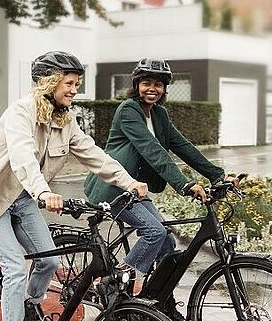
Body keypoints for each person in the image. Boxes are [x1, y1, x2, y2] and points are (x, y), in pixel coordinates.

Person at [0, 51, 148, 321]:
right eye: (70, 83)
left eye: (77, 83)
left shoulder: (65, 120)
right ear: (50, 82)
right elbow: (23, 157)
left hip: (22, 201)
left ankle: (27, 305)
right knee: (14, 267)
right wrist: (43, 192)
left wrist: (128, 181)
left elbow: (93, 155)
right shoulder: (21, 112)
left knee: (49, 262)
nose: (75, 89)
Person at [84, 58, 239, 295]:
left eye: (158, 84)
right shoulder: (128, 110)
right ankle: (111, 282)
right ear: (136, 85)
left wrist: (217, 176)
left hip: (137, 189)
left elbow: (183, 146)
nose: (152, 89)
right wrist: (185, 184)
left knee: (166, 240)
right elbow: (152, 150)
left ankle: (155, 299)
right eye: (146, 83)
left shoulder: (159, 115)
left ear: (165, 88)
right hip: (114, 187)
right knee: (154, 232)